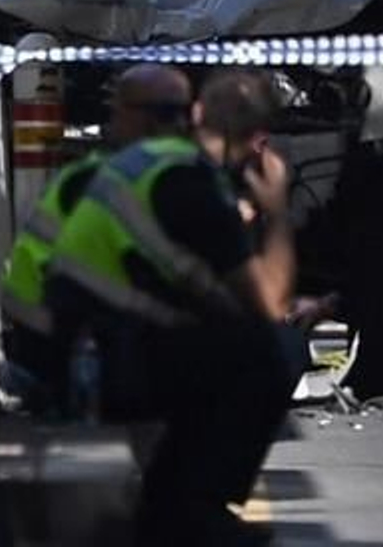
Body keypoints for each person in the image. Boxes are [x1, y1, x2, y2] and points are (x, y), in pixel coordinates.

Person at [73, 70, 303, 546]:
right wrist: (278, 212)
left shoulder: (154, 164)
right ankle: (193, 506)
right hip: (94, 363)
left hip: (68, 343)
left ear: (198, 113)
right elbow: (270, 304)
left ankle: (169, 499)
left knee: (217, 341)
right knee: (277, 347)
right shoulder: (191, 183)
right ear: (261, 142)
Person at [0, 65, 195, 411]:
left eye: (117, 110)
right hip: (57, 332)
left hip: (41, 323)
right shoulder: (122, 179)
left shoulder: (104, 173)